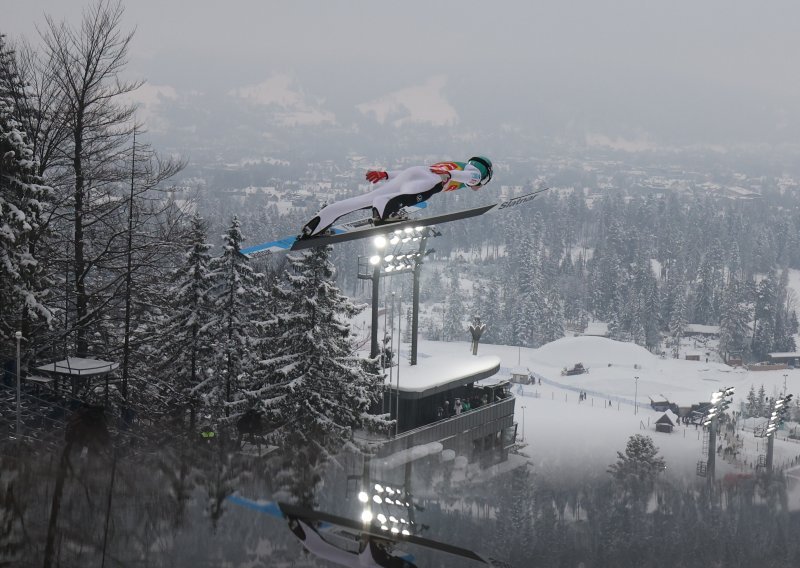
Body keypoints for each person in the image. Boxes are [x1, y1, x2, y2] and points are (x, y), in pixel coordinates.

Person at [300, 156, 493, 237]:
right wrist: (447, 177)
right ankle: (385, 210)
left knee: (365, 200)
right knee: (429, 190)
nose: (477, 185)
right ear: (485, 175)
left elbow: (414, 173)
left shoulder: (457, 164)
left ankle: (318, 224)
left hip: (414, 174)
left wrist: (386, 175)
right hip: (429, 179)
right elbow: (467, 177)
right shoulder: (473, 173)